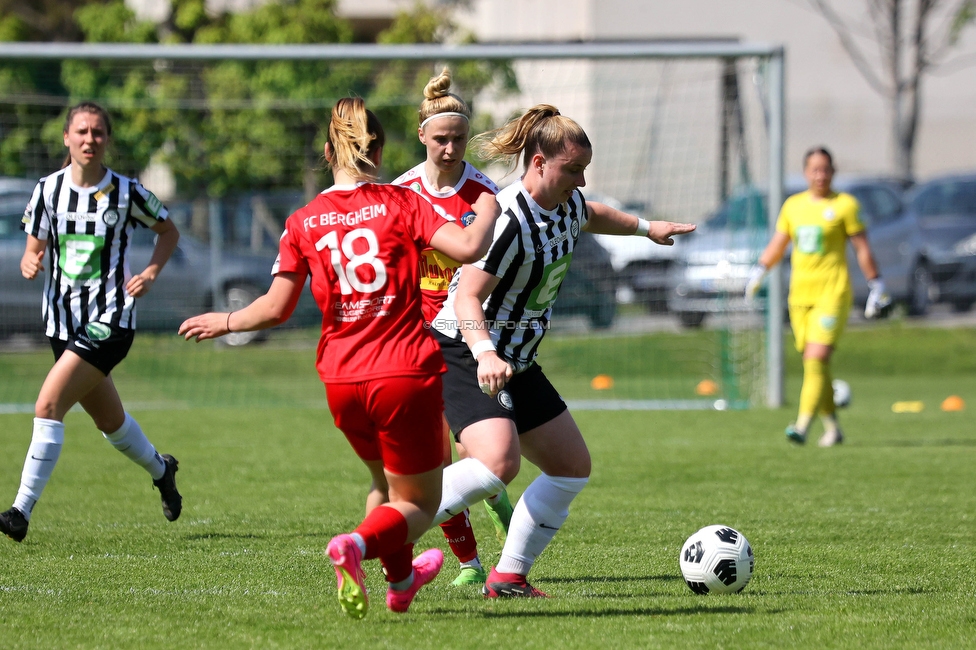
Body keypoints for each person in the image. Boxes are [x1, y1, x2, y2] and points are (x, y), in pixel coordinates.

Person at [178, 97, 500, 618]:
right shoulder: (400, 201)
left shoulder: (303, 220)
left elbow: (276, 308)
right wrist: (487, 204)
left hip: (341, 379)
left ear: (328, 152)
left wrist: (227, 320)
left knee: (383, 486)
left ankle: (401, 583)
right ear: (379, 149)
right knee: (417, 503)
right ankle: (355, 546)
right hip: (402, 370)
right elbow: (466, 247)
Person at [426, 104, 696, 597]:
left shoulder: (567, 203)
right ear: (538, 163)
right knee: (497, 464)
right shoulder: (508, 220)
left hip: (517, 360)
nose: (582, 181)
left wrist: (645, 227)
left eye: (585, 169)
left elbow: (592, 214)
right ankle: (383, 530)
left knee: (571, 467)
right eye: (573, 170)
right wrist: (486, 353)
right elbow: (465, 295)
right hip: (467, 350)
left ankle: (507, 577)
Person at [0, 101, 183, 543]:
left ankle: (20, 512)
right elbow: (34, 242)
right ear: (67, 138)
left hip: (110, 320)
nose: (89, 139)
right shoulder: (47, 190)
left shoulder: (127, 191)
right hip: (61, 325)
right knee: (112, 425)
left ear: (107, 140)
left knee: (47, 406)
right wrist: (30, 258)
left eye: (97, 132)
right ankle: (163, 470)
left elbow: (169, 231)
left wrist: (151, 273)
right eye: (81, 131)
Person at [391, 67, 512, 587]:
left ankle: (494, 492)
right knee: (431, 454)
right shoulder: (399, 194)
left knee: (467, 452)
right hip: (416, 337)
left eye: (459, 138)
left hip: (468, 332)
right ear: (422, 136)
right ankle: (468, 562)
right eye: (440, 138)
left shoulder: (485, 194)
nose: (450, 147)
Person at [745, 146, 891, 447]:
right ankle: (833, 427)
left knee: (816, 357)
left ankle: (801, 426)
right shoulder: (793, 206)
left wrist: (876, 284)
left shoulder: (845, 206)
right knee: (815, 366)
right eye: (814, 169)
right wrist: (759, 271)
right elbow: (779, 243)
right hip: (800, 296)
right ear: (805, 172)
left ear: (833, 172)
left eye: (825, 169)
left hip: (833, 293)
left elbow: (862, 248)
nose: (820, 175)